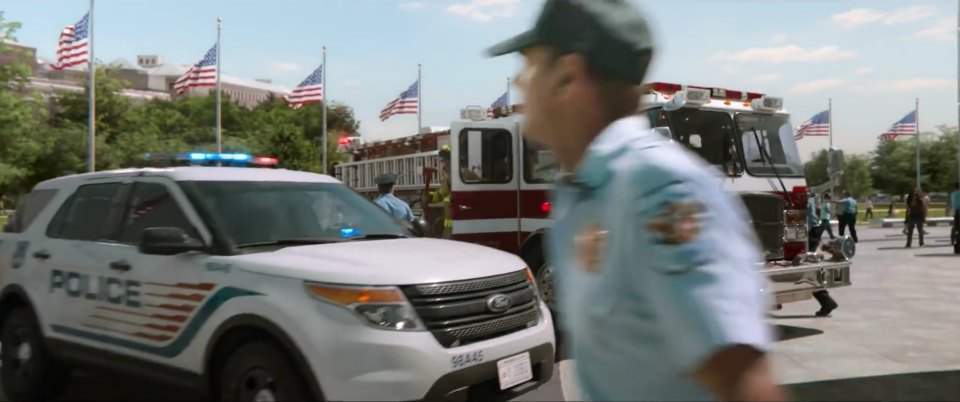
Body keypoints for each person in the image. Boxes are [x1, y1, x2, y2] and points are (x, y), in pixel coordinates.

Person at [486, 1, 784, 400]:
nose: (521, 83)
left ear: (567, 77)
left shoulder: (659, 189)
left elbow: (742, 385)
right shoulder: (583, 189)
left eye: (531, 66)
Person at [428, 146, 453, 238]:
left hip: (458, 227)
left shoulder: (464, 175)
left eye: (445, 160)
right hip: (449, 229)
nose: (443, 164)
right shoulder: (447, 177)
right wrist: (429, 196)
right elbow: (441, 194)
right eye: (442, 161)